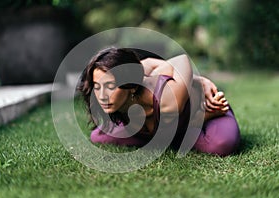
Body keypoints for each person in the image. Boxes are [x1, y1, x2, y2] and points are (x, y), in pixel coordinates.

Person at [79, 47, 240, 156]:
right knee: (99, 135)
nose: (102, 95)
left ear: (132, 87)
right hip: (164, 128)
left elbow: (181, 59)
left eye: (110, 86)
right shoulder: (134, 78)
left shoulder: (168, 99)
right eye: (97, 86)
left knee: (221, 144)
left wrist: (196, 82)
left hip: (206, 110)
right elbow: (147, 63)